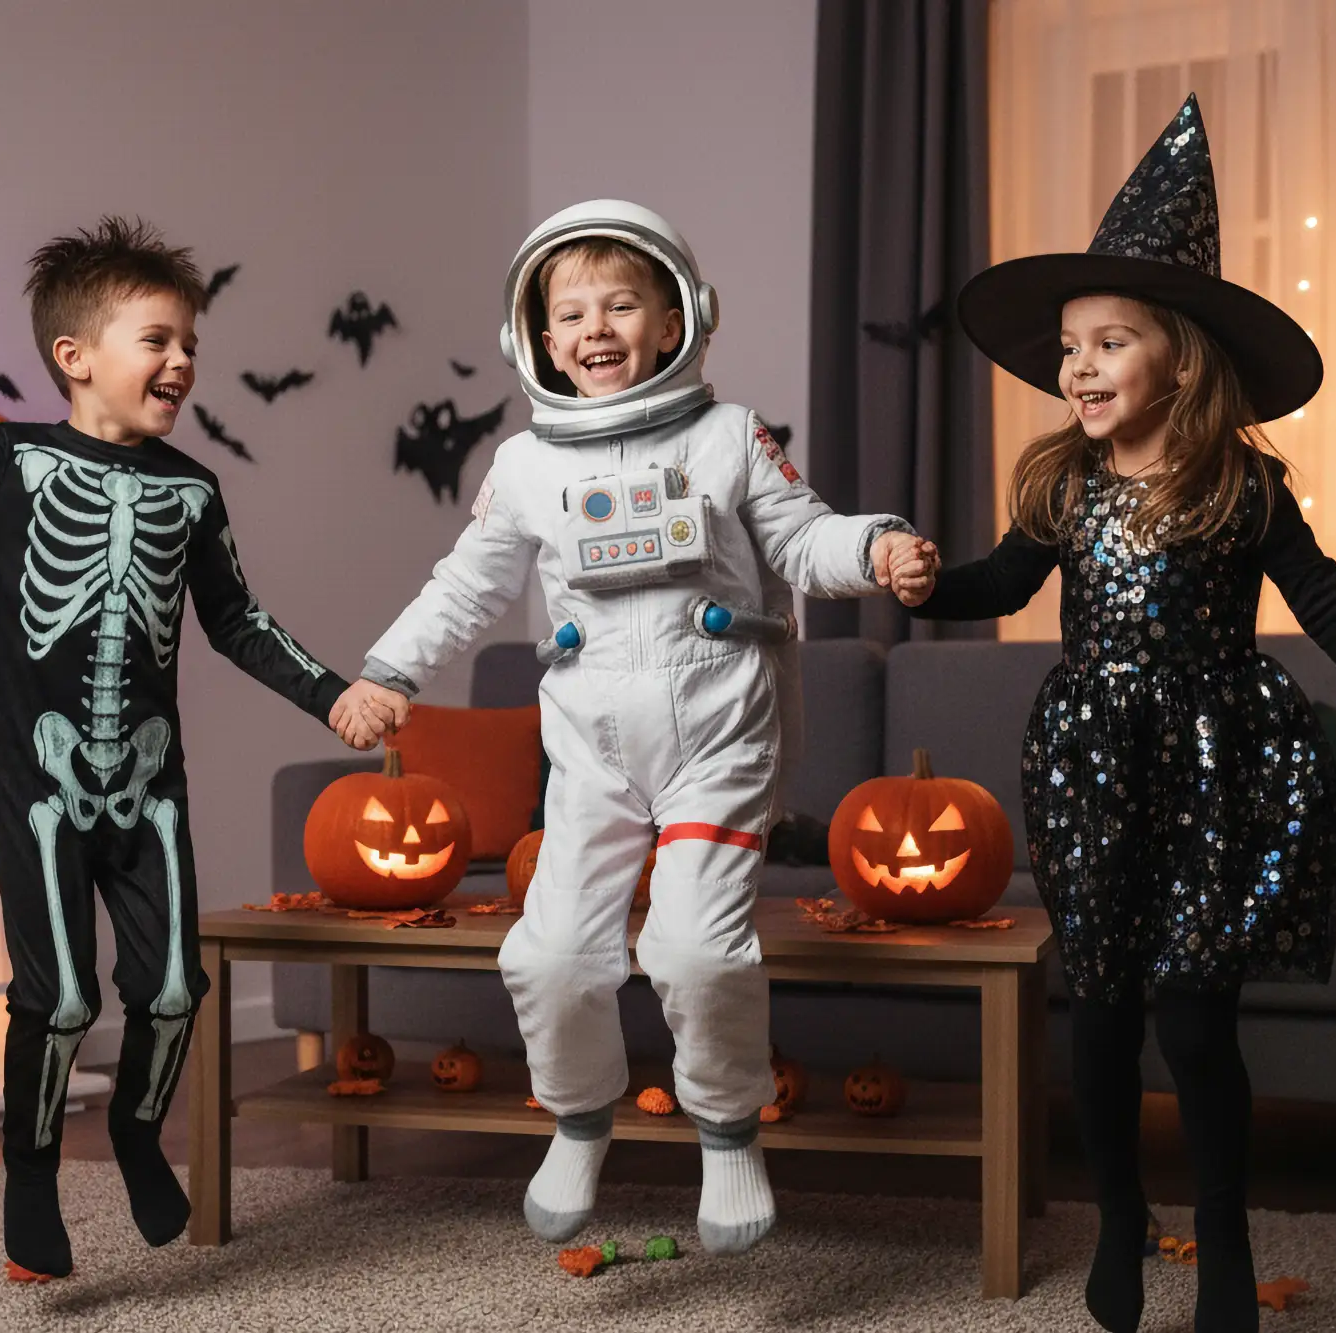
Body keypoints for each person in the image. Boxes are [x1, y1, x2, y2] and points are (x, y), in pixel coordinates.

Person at [908, 97, 1336, 1332]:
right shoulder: (1062, 484)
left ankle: (1220, 1233)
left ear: (1178, 355)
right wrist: (923, 581)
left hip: (1221, 761)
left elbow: (1327, 604)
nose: (1077, 367)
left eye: (1108, 342)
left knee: (1191, 1011)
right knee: (1104, 1012)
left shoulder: (1236, 482)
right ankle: (1118, 1215)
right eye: (1068, 348)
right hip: (1090, 766)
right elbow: (1000, 587)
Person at [331, 199, 936, 1254]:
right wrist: (388, 669)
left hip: (715, 737)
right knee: (550, 955)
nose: (595, 328)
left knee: (696, 954)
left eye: (621, 304)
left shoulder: (726, 434)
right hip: (592, 755)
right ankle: (575, 1116)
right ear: (538, 337)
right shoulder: (526, 465)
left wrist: (876, 549)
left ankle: (726, 1129)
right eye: (570, 313)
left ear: (675, 319)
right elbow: (464, 587)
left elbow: (804, 541)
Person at [0, 218, 372, 1282]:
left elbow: (239, 622)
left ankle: (134, 1130)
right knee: (62, 997)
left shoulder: (192, 487)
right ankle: (31, 1177)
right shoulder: (4, 462)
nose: (180, 363)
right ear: (75, 356)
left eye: (190, 347)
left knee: (173, 991)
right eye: (157, 341)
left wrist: (334, 694)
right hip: (40, 786)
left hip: (150, 783)